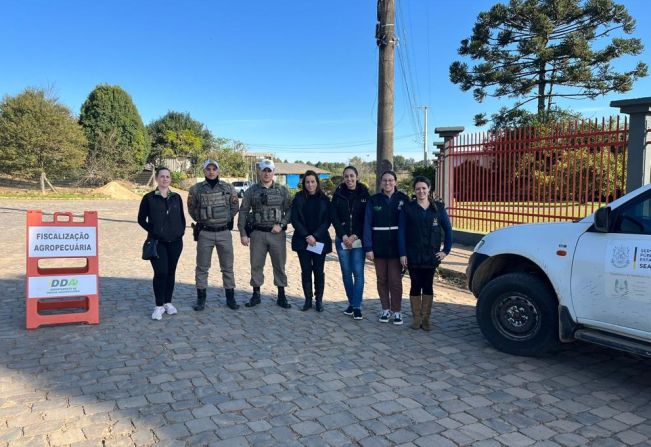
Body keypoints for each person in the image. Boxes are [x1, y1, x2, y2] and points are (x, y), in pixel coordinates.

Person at [398, 176, 452, 331]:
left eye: (424, 188)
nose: (421, 191)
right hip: (413, 254)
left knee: (428, 285)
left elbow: (448, 230)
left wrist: (445, 251)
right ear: (414, 191)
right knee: (415, 285)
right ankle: (416, 318)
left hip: (431, 255)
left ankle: (426, 318)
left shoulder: (439, 208)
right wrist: (402, 254)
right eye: (418, 189)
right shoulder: (408, 208)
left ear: (429, 189)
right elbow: (401, 232)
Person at [238, 159, 293, 309]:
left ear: (274, 172)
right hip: (257, 234)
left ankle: (281, 295)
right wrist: (243, 233)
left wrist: (281, 224)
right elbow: (243, 212)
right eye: (264, 170)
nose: (267, 173)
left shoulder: (282, 190)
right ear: (259, 172)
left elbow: (290, 210)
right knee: (256, 265)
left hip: (277, 235)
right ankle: (256, 295)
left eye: (269, 170)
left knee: (279, 265)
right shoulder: (251, 191)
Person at [187, 159, 240, 311]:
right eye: (208, 169)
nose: (211, 171)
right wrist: (204, 220)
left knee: (228, 268)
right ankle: (201, 299)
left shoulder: (228, 187)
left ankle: (230, 298)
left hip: (224, 233)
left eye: (214, 169)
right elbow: (192, 209)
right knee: (202, 267)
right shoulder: (196, 189)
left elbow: (235, 206)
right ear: (204, 171)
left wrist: (225, 219)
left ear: (218, 171)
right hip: (205, 233)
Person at [137, 167, 186, 320]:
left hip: (175, 242)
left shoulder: (176, 197)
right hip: (157, 242)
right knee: (161, 273)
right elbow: (141, 219)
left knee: (171, 272)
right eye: (162, 176)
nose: (165, 179)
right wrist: (153, 230)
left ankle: (167, 303)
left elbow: (182, 218)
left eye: (168, 177)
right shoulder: (149, 198)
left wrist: (180, 231)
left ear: (170, 179)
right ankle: (158, 306)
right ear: (157, 179)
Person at [363, 170, 410, 325]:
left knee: (395, 280)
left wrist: (407, 249)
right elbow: (367, 224)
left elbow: (410, 224)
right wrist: (368, 247)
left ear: (395, 182)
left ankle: (397, 311)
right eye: (385, 180)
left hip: (398, 247)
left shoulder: (403, 199)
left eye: (391, 180)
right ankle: (385, 309)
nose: (388, 183)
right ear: (381, 182)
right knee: (381, 279)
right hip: (379, 247)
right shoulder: (374, 200)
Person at [330, 166, 370, 320]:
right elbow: (333, 215)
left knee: (358, 273)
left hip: (358, 240)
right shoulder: (338, 193)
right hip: (342, 239)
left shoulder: (364, 193)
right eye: (346, 176)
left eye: (352, 176)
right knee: (346, 274)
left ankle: (357, 306)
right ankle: (352, 303)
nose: (349, 179)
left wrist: (354, 236)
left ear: (357, 177)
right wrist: (344, 235)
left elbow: (366, 218)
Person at [291, 170, 332, 312]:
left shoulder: (324, 199)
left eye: (313, 181)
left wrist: (315, 236)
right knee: (306, 270)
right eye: (307, 182)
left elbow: (327, 221)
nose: (310, 184)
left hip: (319, 241)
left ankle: (319, 300)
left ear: (317, 183)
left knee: (319, 271)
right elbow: (294, 219)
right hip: (303, 241)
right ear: (304, 183)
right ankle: (308, 300)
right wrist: (307, 236)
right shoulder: (298, 198)